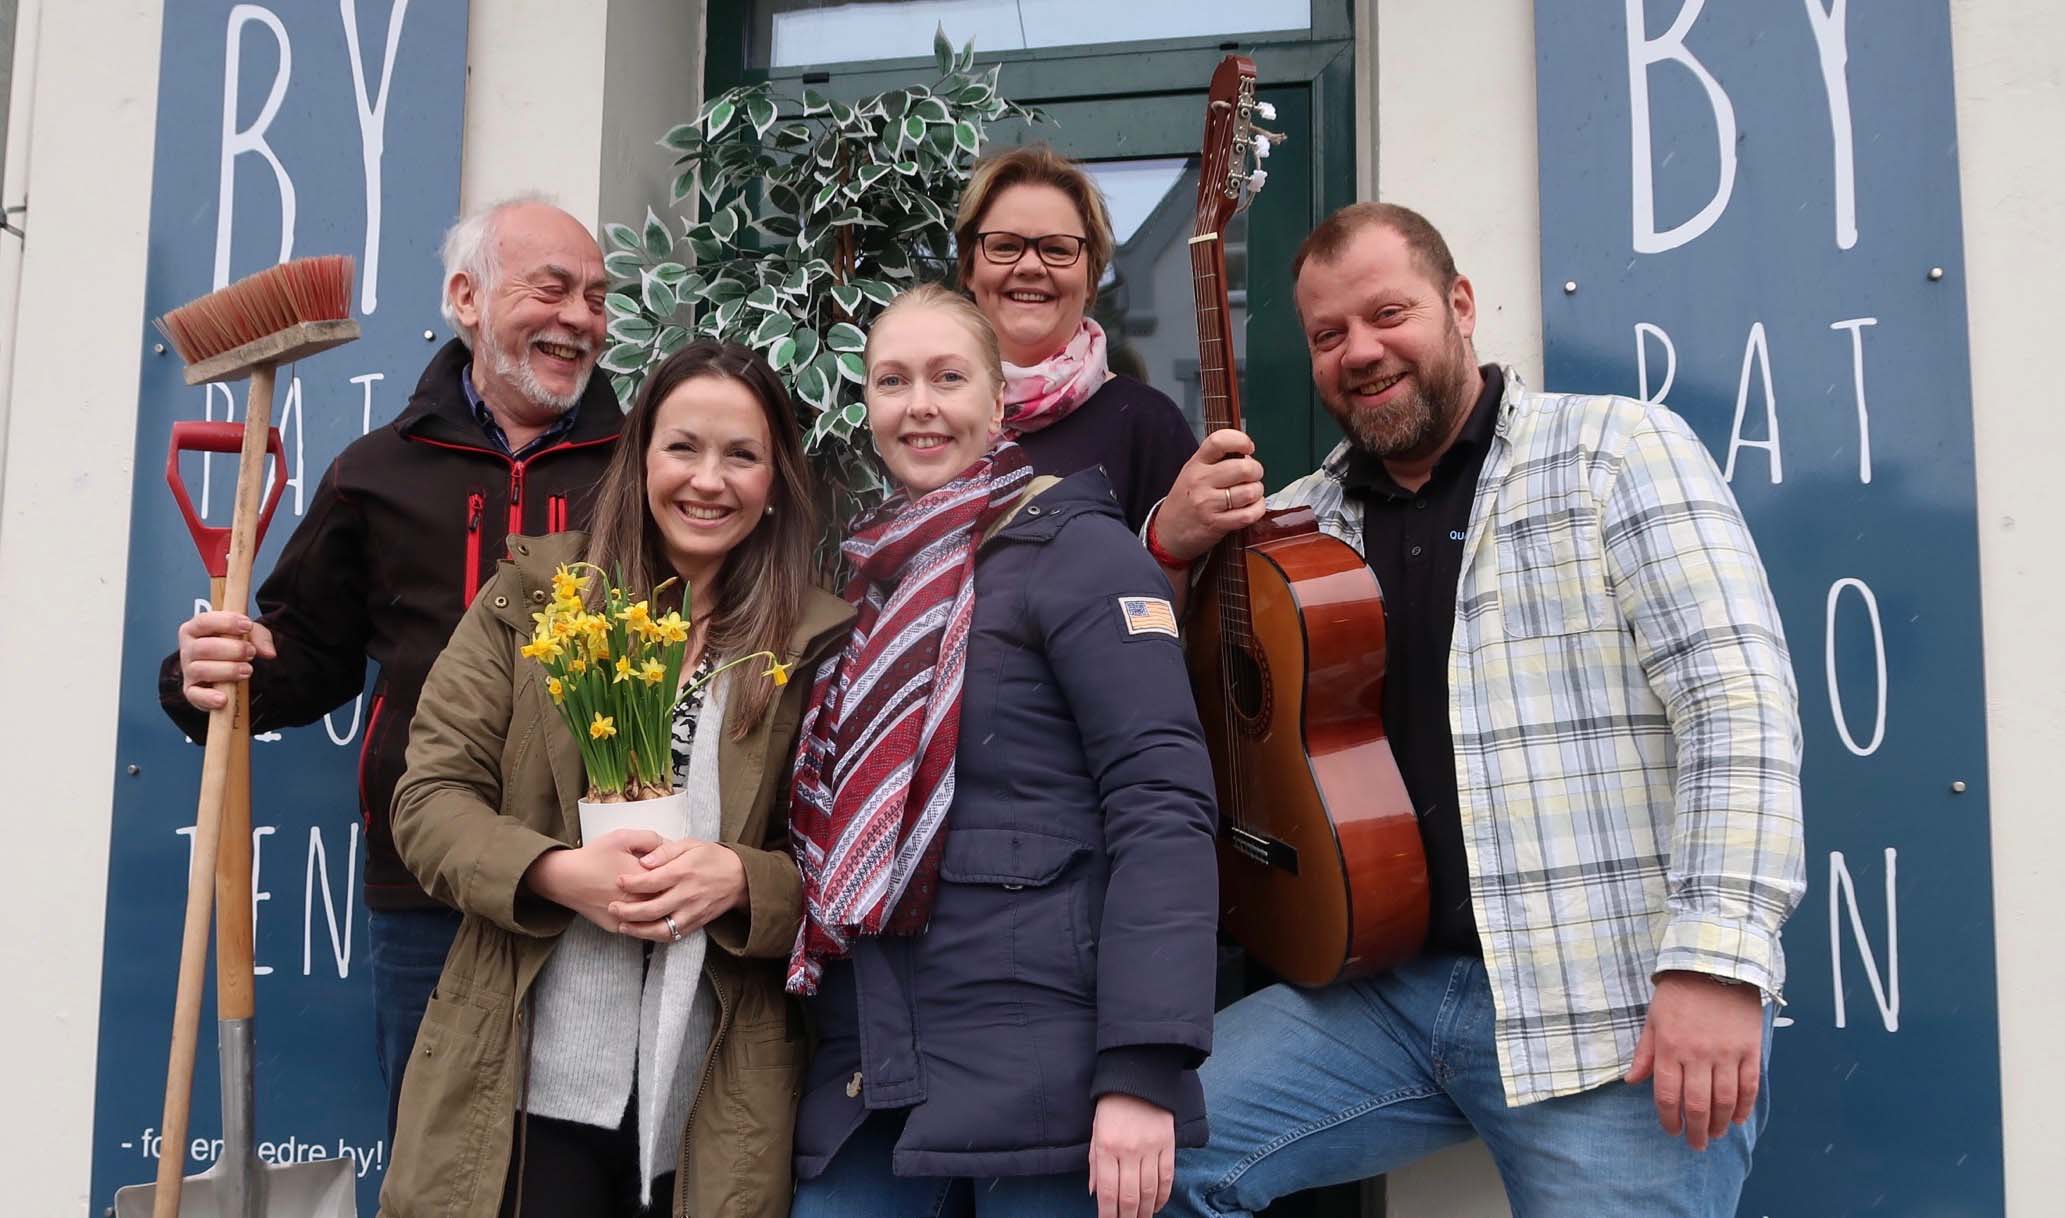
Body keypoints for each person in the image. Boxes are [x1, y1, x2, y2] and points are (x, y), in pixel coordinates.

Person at [1147, 203, 1807, 1217]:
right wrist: (1166, 539)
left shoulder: (1614, 451)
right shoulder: (1293, 524)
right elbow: (1145, 677)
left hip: (1606, 1002)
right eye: (1327, 334)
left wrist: (1717, 966)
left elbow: (1738, 709)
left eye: (1388, 314)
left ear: (1459, 304)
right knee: (1139, 1158)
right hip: (1377, 992)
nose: (1359, 352)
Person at [160, 194, 624, 1138]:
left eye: (596, 297)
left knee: (585, 1168)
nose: (579, 318)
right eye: (551, 289)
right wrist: (210, 671)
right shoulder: (374, 472)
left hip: (600, 879)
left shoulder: (644, 472)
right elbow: (307, 658)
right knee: (440, 1161)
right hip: (428, 888)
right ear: (467, 298)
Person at [378, 341, 855, 1218]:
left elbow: (851, 864)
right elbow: (429, 800)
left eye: (740, 455)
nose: (707, 480)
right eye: (682, 447)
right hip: (522, 1074)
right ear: (638, 459)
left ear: (776, 482)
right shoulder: (534, 602)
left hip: (714, 1090)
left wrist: (741, 881)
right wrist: (554, 873)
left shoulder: (817, 645)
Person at [785, 284, 1220, 1218]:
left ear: (997, 403)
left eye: (948, 378)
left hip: (1047, 1079)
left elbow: (1161, 803)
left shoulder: (1082, 554)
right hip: (876, 1069)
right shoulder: (862, 578)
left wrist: (1142, 1069)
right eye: (892, 381)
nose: (920, 406)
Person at [955, 144, 1197, 533]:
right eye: (1005, 246)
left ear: (1091, 278)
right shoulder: (932, 415)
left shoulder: (1147, 426)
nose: (1030, 266)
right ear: (970, 268)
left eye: (1056, 249)